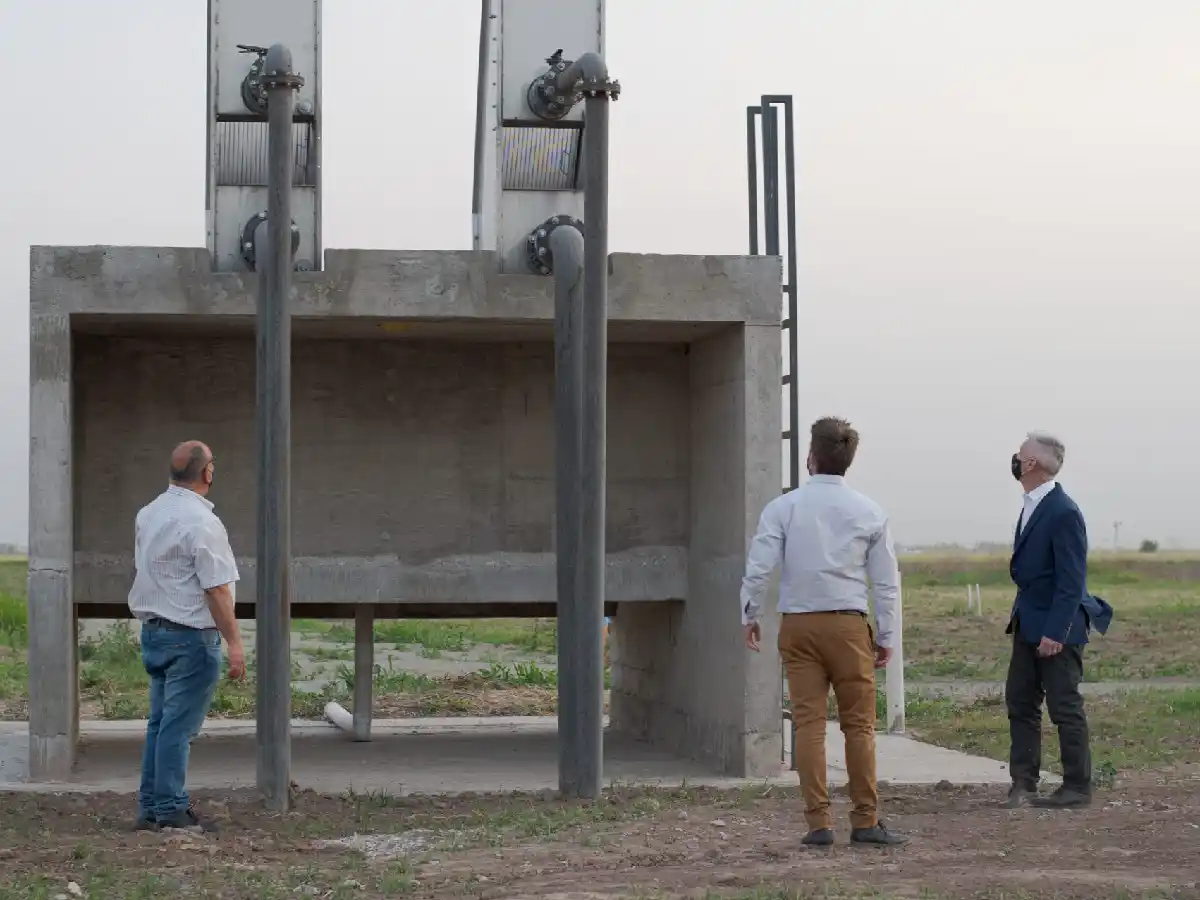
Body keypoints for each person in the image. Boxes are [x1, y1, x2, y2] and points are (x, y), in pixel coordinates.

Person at [741, 417, 905, 847]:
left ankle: (818, 824)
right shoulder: (870, 511)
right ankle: (866, 820)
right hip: (849, 625)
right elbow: (886, 582)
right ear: (848, 461)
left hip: (799, 625)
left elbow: (759, 566)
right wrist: (887, 636)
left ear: (810, 457)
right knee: (859, 726)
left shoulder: (783, 507)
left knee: (809, 725)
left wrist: (750, 613)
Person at [127, 441, 246, 832]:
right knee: (178, 729)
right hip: (191, 638)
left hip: (155, 634)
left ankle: (151, 809)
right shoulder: (202, 522)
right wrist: (235, 643)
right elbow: (215, 589)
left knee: (160, 725)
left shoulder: (149, 514)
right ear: (207, 472)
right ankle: (172, 811)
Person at [1005, 432, 1112, 810]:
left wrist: (1057, 631)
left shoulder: (1063, 510)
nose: (1016, 459)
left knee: (1064, 706)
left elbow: (1072, 578)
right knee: (1020, 702)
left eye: (1020, 454)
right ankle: (1023, 783)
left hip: (1056, 626)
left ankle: (1077, 787)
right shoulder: (1032, 504)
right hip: (1026, 621)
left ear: (1032, 463)